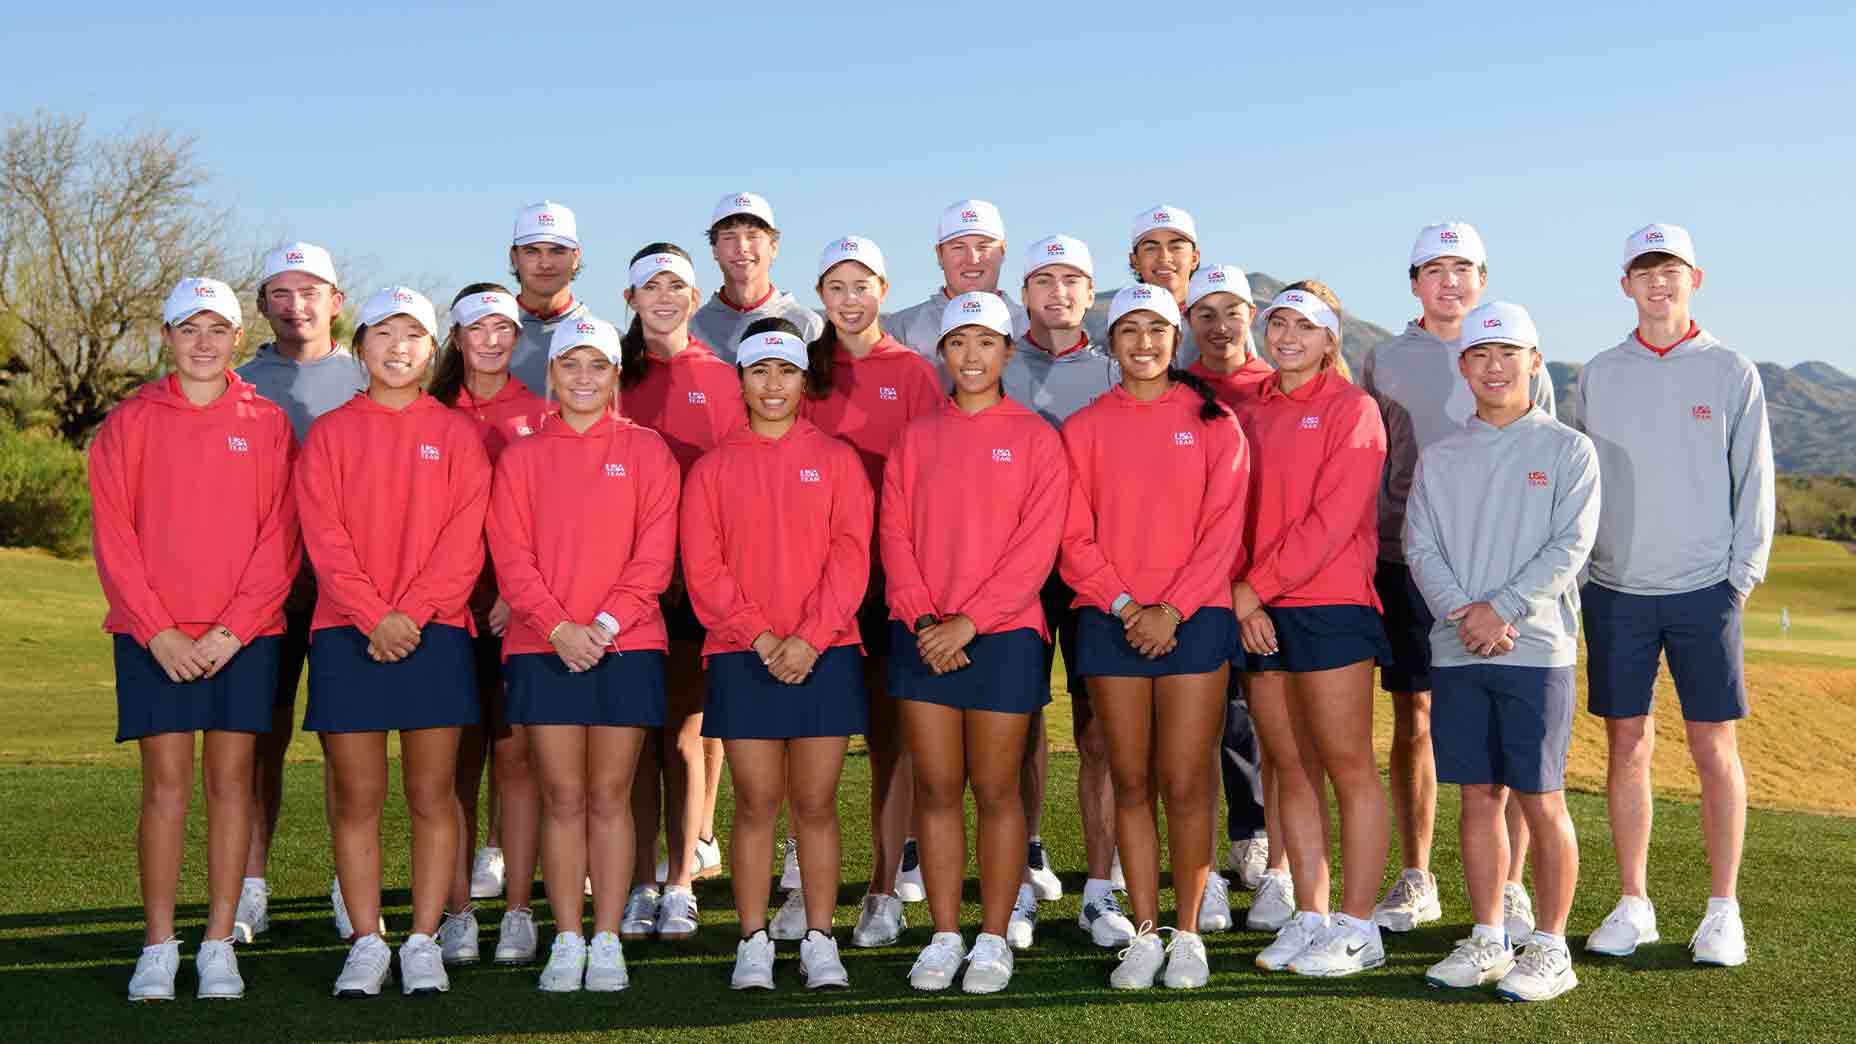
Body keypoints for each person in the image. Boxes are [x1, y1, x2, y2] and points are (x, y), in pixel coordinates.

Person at [96, 278, 298, 1001]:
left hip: (242, 638)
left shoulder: (267, 420)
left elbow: (281, 536)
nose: (204, 342)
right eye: (190, 329)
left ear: (238, 338)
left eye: (217, 329)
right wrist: (159, 634)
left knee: (231, 785)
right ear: (167, 336)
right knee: (166, 788)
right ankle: (158, 944)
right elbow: (115, 536)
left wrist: (231, 630)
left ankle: (218, 943)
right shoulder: (130, 422)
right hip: (155, 640)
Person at [1577, 224, 1773, 968]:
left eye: (1673, 271)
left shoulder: (1730, 370)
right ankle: (1634, 904)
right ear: (1625, 283)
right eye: (1645, 271)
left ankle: (1723, 910)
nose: (1659, 283)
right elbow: (1583, 481)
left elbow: (1755, 480)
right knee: (1627, 744)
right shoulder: (1600, 372)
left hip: (1704, 590)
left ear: (1697, 279)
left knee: (1713, 748)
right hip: (1617, 589)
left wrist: (1738, 580)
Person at [295, 287, 491, 998]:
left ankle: (422, 940)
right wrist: (374, 615)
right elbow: (325, 538)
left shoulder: (459, 435)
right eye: (384, 333)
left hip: (434, 632)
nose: (398, 348)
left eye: (413, 335)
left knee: (433, 793)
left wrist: (408, 614)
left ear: (432, 351)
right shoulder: (330, 435)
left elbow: (463, 541)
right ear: (360, 347)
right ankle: (368, 940)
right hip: (349, 634)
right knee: (357, 795)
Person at [1361, 222, 1554, 941]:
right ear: (1414, 282)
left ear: (1483, 278)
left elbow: (1551, 468)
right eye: (1434, 269)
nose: (1450, 282)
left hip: (1504, 577)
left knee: (1501, 726)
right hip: (1410, 564)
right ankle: (1418, 876)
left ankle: (1508, 884)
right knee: (1414, 721)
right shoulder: (1383, 358)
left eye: (1464, 269)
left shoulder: (1513, 351)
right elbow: (1370, 465)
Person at [1404, 302, 1598, 1002]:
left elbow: (1570, 548)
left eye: (1508, 353)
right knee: (1478, 797)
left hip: (1536, 648)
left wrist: (1500, 611)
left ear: (1534, 361)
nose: (1494, 365)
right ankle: (1488, 936)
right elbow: (1418, 545)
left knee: (1542, 799)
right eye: (1481, 355)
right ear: (1465, 367)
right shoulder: (1442, 455)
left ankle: (1549, 947)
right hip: (1460, 647)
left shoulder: (1570, 450)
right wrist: (1465, 614)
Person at [1059, 284, 1249, 990]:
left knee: (1188, 779)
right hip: (1113, 624)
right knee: (1130, 780)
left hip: (1194, 622)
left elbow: (1222, 529)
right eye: (1129, 331)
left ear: (1178, 340)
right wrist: (1129, 605)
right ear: (1110, 343)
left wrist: (1168, 609)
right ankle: (1143, 932)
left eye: (1156, 330)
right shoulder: (1083, 428)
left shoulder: (1216, 422)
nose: (1143, 342)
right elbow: (1072, 534)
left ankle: (1190, 932)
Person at [486, 316, 681, 993]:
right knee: (561, 795)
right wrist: (558, 626)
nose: (584, 378)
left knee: (609, 795)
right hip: (543, 646)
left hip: (625, 643)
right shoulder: (522, 455)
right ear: (552, 374)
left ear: (615, 375)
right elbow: (511, 557)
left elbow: (654, 556)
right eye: (571, 365)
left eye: (597, 366)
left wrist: (598, 625)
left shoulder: (648, 451)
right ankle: (566, 936)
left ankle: (606, 938)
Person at [883, 292, 1068, 994]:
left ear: (1007, 352)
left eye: (984, 343)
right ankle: (944, 933)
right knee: (934, 787)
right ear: (942, 354)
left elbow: (1035, 548)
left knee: (995, 789)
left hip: (1003, 635)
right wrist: (927, 620)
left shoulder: (1034, 436)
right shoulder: (916, 436)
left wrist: (969, 622)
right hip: (923, 634)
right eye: (957, 344)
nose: (970, 356)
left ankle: (992, 937)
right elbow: (895, 534)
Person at [681, 324, 873, 991]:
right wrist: (761, 637)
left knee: (816, 802)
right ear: (740, 381)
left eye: (785, 372)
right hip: (744, 655)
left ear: (803, 381)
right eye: (759, 372)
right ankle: (753, 940)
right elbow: (703, 567)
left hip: (826, 651)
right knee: (757, 801)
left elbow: (852, 557)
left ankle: (821, 937)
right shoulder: (712, 467)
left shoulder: (839, 459)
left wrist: (810, 638)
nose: (772, 386)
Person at [1236, 283, 1394, 979]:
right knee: (1290, 769)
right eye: (1279, 324)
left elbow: (1333, 522)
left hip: (1329, 607)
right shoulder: (1249, 409)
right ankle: (1312, 915)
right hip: (1258, 611)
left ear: (1331, 339)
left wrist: (1251, 591)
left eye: (1306, 326)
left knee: (1348, 767)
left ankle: (1360, 928)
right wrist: (1245, 601)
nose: (1290, 336)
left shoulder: (1353, 410)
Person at [798, 236, 943, 947]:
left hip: (892, 578)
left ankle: (885, 887)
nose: (850, 299)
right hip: (812, 583)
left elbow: (931, 479)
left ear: (884, 290)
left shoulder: (913, 372)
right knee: (803, 735)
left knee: (892, 740)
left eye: (862, 285)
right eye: (836, 286)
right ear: (820, 295)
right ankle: (803, 878)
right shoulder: (806, 369)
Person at [232, 241, 367, 945]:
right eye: (280, 293)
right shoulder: (238, 383)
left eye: (310, 291)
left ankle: (353, 885)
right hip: (267, 590)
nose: (296, 305)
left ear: (336, 302)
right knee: (262, 738)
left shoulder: (372, 376)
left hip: (354, 593)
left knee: (353, 743)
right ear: (262, 306)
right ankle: (252, 884)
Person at [1002, 234, 1132, 951]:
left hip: (1093, 568)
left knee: (1099, 729)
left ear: (1090, 294)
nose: (1056, 292)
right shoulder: (992, 359)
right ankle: (1022, 871)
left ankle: (1100, 888)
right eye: (1042, 280)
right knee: (1017, 720)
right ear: (1024, 294)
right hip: (1011, 572)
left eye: (1071, 281)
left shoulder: (1117, 368)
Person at [614, 245, 744, 943]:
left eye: (677, 286)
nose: (664, 296)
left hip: (696, 587)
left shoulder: (722, 379)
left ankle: (680, 881)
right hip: (621, 585)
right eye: (650, 286)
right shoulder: (608, 374)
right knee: (636, 740)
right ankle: (638, 883)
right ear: (629, 297)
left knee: (687, 738)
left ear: (695, 298)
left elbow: (737, 485)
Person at [429, 285, 545, 967]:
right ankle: (457, 913)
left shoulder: (541, 410)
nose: (494, 340)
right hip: (447, 614)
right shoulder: (432, 412)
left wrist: (513, 594)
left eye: (506, 327)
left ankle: (521, 912)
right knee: (452, 771)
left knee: (516, 765)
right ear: (457, 337)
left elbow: (544, 517)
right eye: (480, 329)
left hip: (517, 614)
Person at [1182, 263, 1273, 930]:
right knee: (1201, 721)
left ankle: (1258, 837)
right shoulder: (1177, 388)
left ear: (1252, 316)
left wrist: (1256, 585)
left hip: (1267, 581)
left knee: (1262, 719)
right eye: (1205, 314)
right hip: (1196, 579)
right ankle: (1202, 862)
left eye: (1231, 312)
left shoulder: (1276, 386)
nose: (1219, 326)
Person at [882, 198, 1028, 360]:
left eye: (983, 246)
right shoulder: (900, 330)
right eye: (958, 247)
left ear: (1002, 251)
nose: (972, 259)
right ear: (939, 254)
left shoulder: (1032, 328)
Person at [689, 193, 823, 360]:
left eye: (753, 236)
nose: (741, 247)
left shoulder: (807, 325)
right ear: (714, 250)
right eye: (729, 237)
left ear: (773, 247)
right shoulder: (693, 327)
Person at [507, 201, 593, 394]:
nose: (545, 264)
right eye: (532, 251)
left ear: (576, 257)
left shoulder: (610, 340)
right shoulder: (481, 341)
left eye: (557, 251)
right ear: (514, 258)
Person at [1114, 205, 1202, 366]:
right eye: (1151, 248)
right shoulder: (1118, 325)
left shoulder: (1217, 322)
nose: (1164, 257)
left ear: (1195, 258)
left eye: (1176, 247)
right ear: (1135, 261)